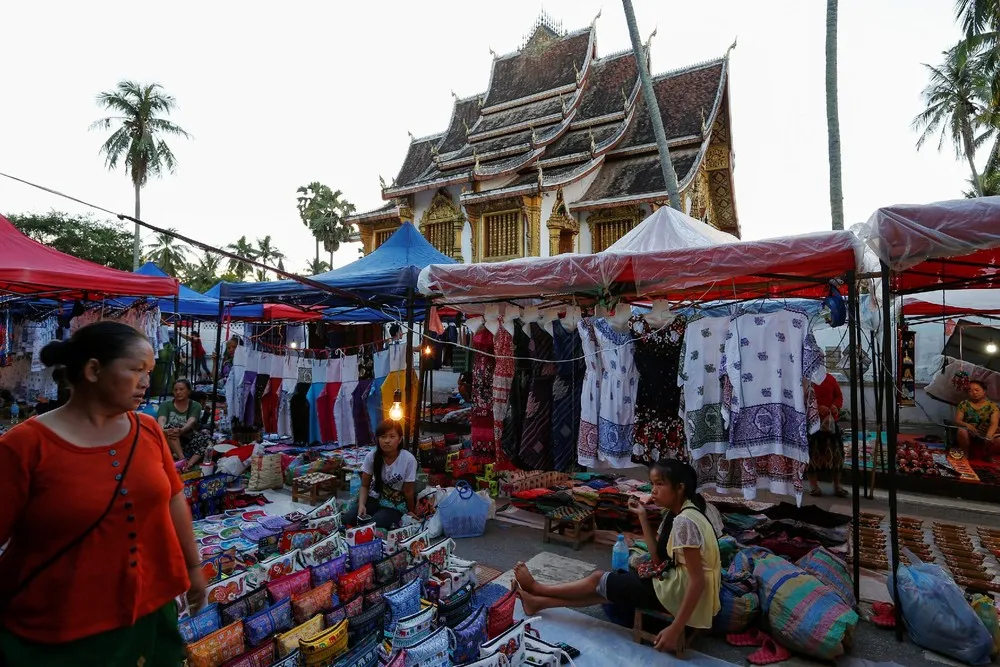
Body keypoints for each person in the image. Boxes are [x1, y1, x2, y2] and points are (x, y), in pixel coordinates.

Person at [0, 320, 204, 666]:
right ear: (93, 370)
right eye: (136, 369)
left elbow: (173, 499)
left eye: (150, 371)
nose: (146, 381)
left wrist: (194, 567)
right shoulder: (24, 446)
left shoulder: (149, 429)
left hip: (151, 609)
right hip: (58, 628)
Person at [513, 460, 721, 655]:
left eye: (660, 484)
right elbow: (658, 558)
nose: (653, 490)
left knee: (599, 579)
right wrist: (642, 516)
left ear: (680, 488)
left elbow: (697, 580)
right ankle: (539, 602)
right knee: (608, 588)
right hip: (676, 583)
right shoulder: (679, 513)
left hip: (681, 591)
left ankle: (539, 590)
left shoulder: (685, 521)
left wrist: (675, 628)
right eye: (652, 484)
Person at [343, 420, 417, 529]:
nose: (387, 441)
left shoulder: (408, 459)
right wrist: (361, 505)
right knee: (348, 519)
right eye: (383, 437)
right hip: (375, 497)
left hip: (395, 504)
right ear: (378, 439)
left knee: (375, 524)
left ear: (400, 439)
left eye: (392, 436)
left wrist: (412, 511)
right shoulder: (371, 456)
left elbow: (409, 492)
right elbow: (364, 485)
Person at [158, 379, 213, 471]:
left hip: (186, 437)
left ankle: (189, 464)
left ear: (188, 391)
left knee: (209, 441)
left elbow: (192, 421)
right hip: (168, 436)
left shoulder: (196, 405)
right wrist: (164, 430)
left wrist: (182, 430)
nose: (178, 392)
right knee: (171, 427)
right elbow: (161, 420)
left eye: (181, 389)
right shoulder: (165, 405)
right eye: (175, 390)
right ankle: (182, 459)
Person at [807, 374, 848, 497]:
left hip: (831, 423)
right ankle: (814, 486)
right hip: (813, 423)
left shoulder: (830, 379)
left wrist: (835, 406)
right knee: (812, 455)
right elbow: (801, 400)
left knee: (837, 454)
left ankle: (837, 486)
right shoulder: (806, 381)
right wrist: (816, 408)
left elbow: (838, 396)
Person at [955, 380, 1000, 458]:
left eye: (977, 390)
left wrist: (988, 436)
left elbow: (994, 423)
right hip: (970, 433)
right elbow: (957, 420)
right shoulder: (964, 404)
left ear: (984, 391)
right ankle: (965, 454)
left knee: (999, 439)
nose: (974, 393)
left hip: (986, 432)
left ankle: (988, 455)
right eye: (970, 391)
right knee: (961, 430)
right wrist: (968, 425)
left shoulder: (992, 406)